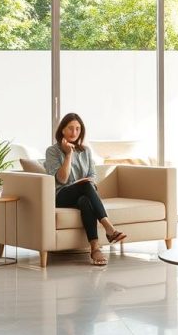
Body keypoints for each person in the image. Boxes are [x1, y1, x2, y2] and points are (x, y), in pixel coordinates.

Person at [45, 113, 128, 266]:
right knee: (85, 185)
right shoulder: (52, 151)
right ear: (62, 130)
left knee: (85, 200)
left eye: (78, 129)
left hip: (82, 193)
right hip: (60, 196)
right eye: (70, 128)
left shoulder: (86, 151)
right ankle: (108, 227)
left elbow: (92, 176)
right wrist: (68, 154)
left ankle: (95, 248)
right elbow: (62, 180)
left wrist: (84, 183)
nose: (74, 132)